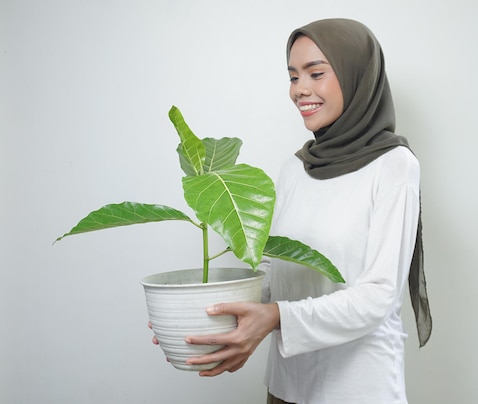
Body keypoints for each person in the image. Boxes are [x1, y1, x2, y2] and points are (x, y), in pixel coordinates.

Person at [155, 18, 432, 404]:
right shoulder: (294, 169)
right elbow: (276, 271)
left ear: (357, 77)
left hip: (357, 389)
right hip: (286, 388)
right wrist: (204, 317)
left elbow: (378, 297)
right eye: (292, 76)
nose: (300, 90)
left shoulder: (394, 165)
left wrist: (276, 317)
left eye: (315, 73)